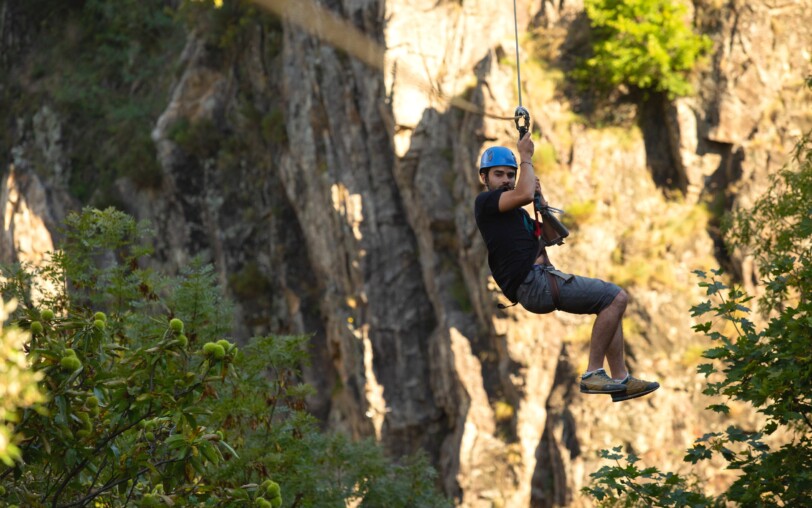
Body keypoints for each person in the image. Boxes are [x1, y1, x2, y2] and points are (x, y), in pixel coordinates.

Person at [474, 132, 659, 402]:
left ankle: (620, 379)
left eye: (510, 175)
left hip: (540, 279)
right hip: (532, 283)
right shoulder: (486, 204)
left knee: (611, 305)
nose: (505, 181)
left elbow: (552, 237)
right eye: (499, 175)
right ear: (485, 178)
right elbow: (522, 193)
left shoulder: (517, 215)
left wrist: (542, 203)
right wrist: (525, 157)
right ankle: (594, 372)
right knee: (615, 297)